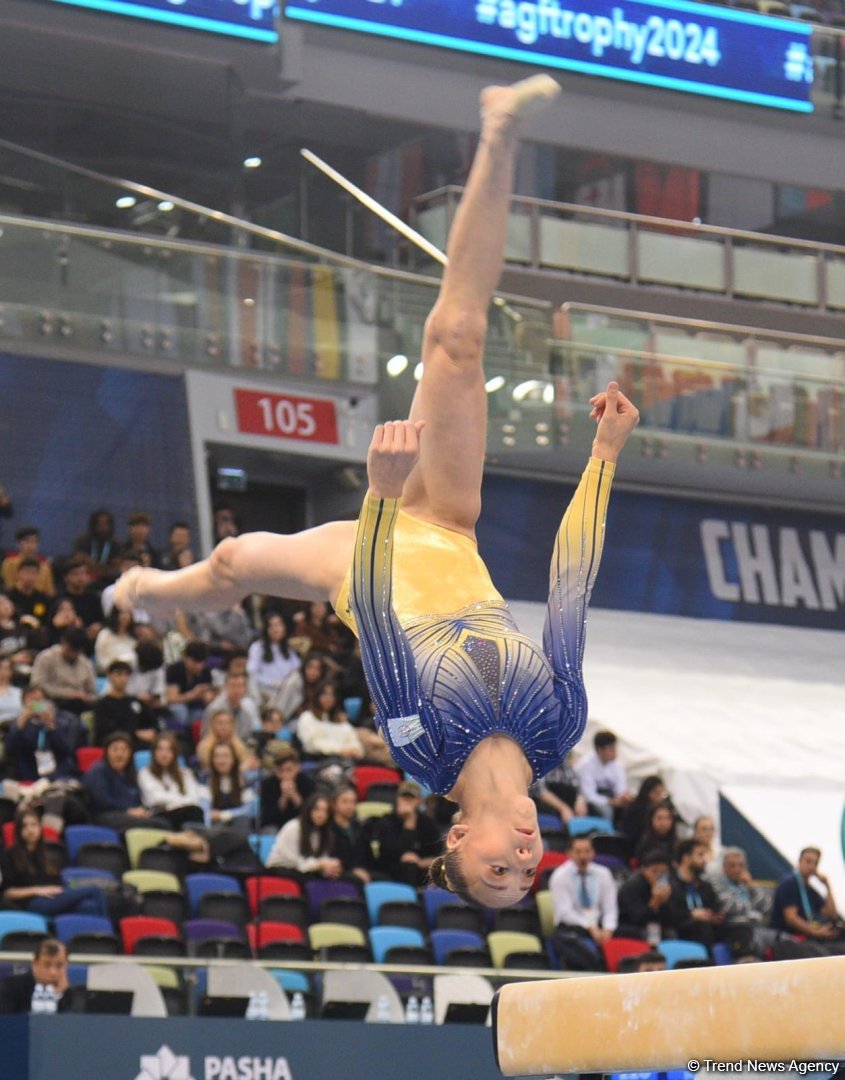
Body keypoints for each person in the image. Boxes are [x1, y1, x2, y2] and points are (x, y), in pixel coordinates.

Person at [114, 75, 638, 908]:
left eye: (495, 870)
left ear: (456, 838)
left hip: (367, 559)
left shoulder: (421, 748)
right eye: (524, 875)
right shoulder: (558, 728)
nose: (521, 858)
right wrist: (603, 456)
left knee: (232, 561)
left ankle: (148, 590)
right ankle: (499, 129)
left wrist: (382, 498)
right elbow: (569, 589)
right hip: (451, 525)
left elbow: (379, 616)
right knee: (458, 336)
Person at [0, 809, 108, 918]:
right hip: (31, 902)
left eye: (34, 825)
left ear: (40, 828)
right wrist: (37, 891)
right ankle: (108, 925)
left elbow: (58, 884)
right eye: (25, 826)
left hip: (53, 899)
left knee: (88, 908)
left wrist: (68, 887)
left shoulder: (47, 855)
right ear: (18, 831)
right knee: (95, 889)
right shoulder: (9, 855)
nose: (30, 830)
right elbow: (7, 893)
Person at [548, 837, 618, 966]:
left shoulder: (603, 874)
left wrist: (608, 929)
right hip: (573, 926)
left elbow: (610, 908)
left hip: (599, 925)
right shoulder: (559, 876)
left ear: (593, 852)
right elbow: (565, 912)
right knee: (567, 942)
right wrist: (590, 927)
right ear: (569, 853)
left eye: (587, 851)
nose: (583, 856)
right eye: (578, 852)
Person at [83, 730, 170, 830]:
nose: (120, 754)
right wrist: (127, 810)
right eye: (115, 749)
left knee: (163, 822)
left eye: (124, 750)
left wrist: (140, 810)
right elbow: (102, 801)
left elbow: (137, 799)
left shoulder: (130, 773)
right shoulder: (98, 771)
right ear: (107, 752)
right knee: (154, 825)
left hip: (130, 816)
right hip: (105, 816)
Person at [771, 846, 845, 950]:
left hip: (809, 937)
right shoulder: (789, 883)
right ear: (799, 862)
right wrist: (815, 932)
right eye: (808, 861)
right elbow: (791, 918)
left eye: (815, 863)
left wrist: (827, 886)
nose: (811, 866)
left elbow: (830, 914)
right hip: (789, 937)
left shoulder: (809, 889)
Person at [372, 780, 440, 887]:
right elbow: (387, 852)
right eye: (404, 798)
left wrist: (420, 862)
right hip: (390, 869)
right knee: (408, 866)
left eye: (411, 798)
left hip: (421, 869)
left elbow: (437, 853)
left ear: (419, 801)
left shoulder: (427, 823)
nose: (407, 802)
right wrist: (409, 822)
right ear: (397, 799)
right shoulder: (386, 821)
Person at [712, 846, 776, 957]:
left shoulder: (747, 884)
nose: (737, 869)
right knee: (751, 941)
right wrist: (752, 911)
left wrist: (751, 887)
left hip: (757, 928)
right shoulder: (717, 885)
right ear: (723, 867)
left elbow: (767, 907)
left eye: (741, 865)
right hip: (735, 929)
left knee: (785, 941)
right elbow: (729, 907)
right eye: (732, 866)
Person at [4, 686, 77, 782]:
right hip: (28, 772)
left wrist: (50, 725)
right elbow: (9, 751)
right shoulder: (19, 725)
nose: (36, 705)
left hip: (59, 771)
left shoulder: (63, 721)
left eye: (39, 700)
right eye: (31, 701)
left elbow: (67, 749)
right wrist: (22, 722)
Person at [667, 838, 725, 953]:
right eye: (700, 855)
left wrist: (716, 916)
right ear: (686, 858)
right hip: (680, 930)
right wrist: (691, 915)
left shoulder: (705, 886)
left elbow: (715, 907)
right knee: (702, 926)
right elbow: (667, 914)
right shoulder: (670, 885)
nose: (704, 860)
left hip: (707, 929)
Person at [137, 731, 205, 828]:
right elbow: (154, 799)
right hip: (160, 814)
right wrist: (180, 801)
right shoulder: (145, 773)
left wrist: (171, 804)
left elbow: (193, 799)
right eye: (160, 749)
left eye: (169, 750)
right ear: (154, 752)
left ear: (175, 753)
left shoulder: (186, 773)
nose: (164, 754)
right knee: (192, 813)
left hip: (186, 812)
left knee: (195, 811)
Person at [266, 793, 342, 878]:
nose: (321, 814)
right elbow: (296, 862)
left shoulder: (323, 833)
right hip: (281, 870)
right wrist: (320, 864)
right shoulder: (293, 828)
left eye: (326, 811)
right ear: (309, 810)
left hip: (304, 870)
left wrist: (327, 868)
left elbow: (320, 860)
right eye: (317, 809)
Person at [30, 627, 97, 716]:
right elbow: (37, 685)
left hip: (79, 703)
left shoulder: (85, 663)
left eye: (76, 651)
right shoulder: (46, 658)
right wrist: (67, 693)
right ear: (63, 643)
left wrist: (86, 697)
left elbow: (92, 691)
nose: (72, 654)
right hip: (50, 701)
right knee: (37, 706)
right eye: (70, 649)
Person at [93, 660, 157, 747]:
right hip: (114, 744)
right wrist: (135, 733)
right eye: (118, 674)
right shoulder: (102, 704)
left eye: (126, 675)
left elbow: (151, 720)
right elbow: (104, 730)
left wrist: (152, 732)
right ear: (109, 676)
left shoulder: (134, 701)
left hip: (137, 742)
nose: (123, 678)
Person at [575, 730, 633, 824]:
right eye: (611, 749)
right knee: (606, 811)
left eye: (615, 748)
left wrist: (623, 797)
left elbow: (620, 788)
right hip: (587, 800)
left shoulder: (617, 765)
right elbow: (589, 795)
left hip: (609, 797)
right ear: (600, 750)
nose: (614, 752)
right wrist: (610, 802)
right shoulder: (586, 765)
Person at [616, 849, 674, 942]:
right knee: (648, 934)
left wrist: (665, 902)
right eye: (654, 871)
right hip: (628, 925)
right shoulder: (632, 886)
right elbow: (638, 918)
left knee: (671, 933)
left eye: (663, 873)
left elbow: (669, 919)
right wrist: (655, 901)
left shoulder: (667, 885)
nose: (658, 876)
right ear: (644, 870)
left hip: (653, 925)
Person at [0, 939, 70, 1015]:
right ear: (35, 964)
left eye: (59, 966)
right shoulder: (12, 986)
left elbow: (71, 1020)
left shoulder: (71, 994)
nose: (53, 972)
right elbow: (5, 1019)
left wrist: (59, 995)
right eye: (47, 965)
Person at [247, 612, 301, 707]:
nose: (275, 629)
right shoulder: (257, 647)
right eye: (271, 626)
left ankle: (278, 711)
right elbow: (252, 672)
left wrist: (284, 683)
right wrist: (271, 683)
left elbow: (296, 669)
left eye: (278, 625)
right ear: (266, 629)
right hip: (266, 690)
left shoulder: (288, 648)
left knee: (296, 679)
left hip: (285, 689)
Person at [259, 744, 315, 831]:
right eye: (280, 771)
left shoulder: (307, 782)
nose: (285, 775)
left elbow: (310, 813)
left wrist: (294, 796)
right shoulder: (268, 784)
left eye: (289, 770)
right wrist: (283, 798)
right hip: (275, 825)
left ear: (297, 767)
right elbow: (267, 816)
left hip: (301, 824)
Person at [201, 669, 260, 742]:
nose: (236, 690)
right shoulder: (215, 709)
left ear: (245, 689)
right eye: (233, 686)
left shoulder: (247, 712)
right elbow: (206, 738)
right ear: (225, 687)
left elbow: (247, 738)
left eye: (239, 686)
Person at [2, 526, 55, 596]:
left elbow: (49, 593)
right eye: (27, 541)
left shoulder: (45, 567)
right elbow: (8, 588)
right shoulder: (9, 563)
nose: (31, 546)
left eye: (35, 542)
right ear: (18, 544)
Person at [633, 801, 678, 865]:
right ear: (651, 819)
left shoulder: (676, 843)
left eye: (667, 818)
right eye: (659, 818)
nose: (663, 823)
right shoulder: (644, 842)